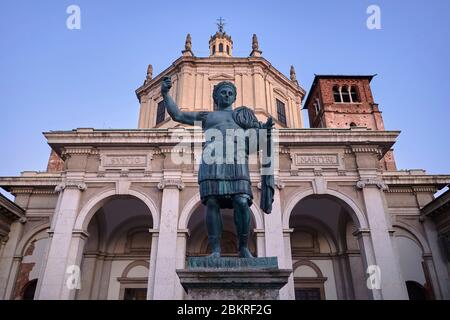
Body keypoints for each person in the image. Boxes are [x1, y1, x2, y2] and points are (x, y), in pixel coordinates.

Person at [161, 76, 274, 258]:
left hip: (237, 161)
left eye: (230, 93)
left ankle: (243, 247)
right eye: (223, 92)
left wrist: (265, 130)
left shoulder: (242, 116)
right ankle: (215, 249)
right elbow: (178, 115)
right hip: (212, 160)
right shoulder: (208, 117)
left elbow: (255, 141)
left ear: (234, 97)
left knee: (242, 201)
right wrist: (165, 94)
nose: (227, 95)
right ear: (216, 96)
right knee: (212, 202)